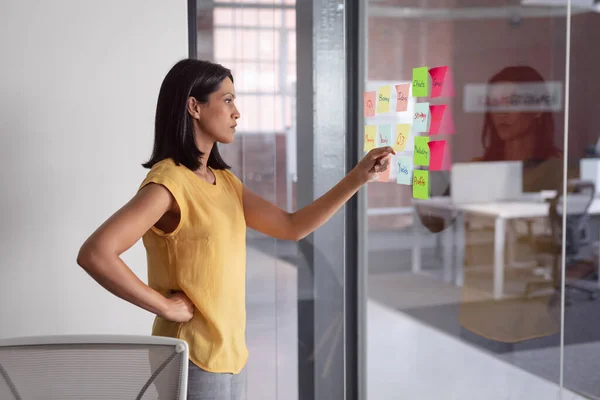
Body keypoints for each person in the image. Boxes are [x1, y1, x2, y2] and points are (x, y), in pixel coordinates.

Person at [76, 58, 394, 400]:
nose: (237, 113)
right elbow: (96, 253)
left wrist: (358, 178)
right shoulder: (168, 183)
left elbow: (292, 226)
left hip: (229, 353)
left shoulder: (226, 183)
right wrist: (164, 307)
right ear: (194, 107)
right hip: (190, 354)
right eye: (227, 100)